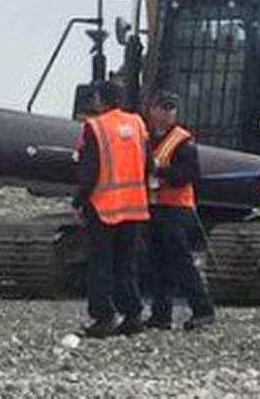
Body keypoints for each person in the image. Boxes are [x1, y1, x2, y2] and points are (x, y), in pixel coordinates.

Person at [74, 80, 150, 338]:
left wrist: (80, 201)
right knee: (126, 262)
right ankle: (133, 314)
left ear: (99, 100)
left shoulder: (95, 127)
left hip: (104, 205)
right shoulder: (137, 124)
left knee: (101, 264)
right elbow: (148, 163)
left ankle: (104, 316)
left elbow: (89, 169)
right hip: (134, 205)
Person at [143, 90, 216, 331]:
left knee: (180, 261)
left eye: (170, 109)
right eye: (162, 108)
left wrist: (159, 171)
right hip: (154, 205)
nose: (166, 113)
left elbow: (188, 175)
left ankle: (202, 309)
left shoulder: (183, 141)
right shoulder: (147, 138)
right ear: (152, 110)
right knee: (156, 262)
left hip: (176, 208)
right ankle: (160, 313)